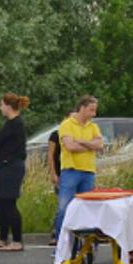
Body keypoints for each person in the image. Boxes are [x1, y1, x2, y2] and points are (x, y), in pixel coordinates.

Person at [51, 95, 104, 245]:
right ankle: (61, 244)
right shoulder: (67, 124)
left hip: (88, 171)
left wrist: (81, 141)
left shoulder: (93, 126)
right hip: (71, 171)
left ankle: (84, 245)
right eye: (91, 110)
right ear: (82, 108)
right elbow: (70, 146)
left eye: (95, 110)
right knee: (64, 208)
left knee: (87, 209)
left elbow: (100, 145)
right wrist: (90, 145)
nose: (94, 114)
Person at [0, 93, 29, 251]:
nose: (0, 108)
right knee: (0, 201)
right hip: (5, 167)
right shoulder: (9, 123)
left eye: (1, 105)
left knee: (9, 202)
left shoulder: (15, 124)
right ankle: (3, 237)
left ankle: (17, 240)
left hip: (11, 167)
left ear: (8, 106)